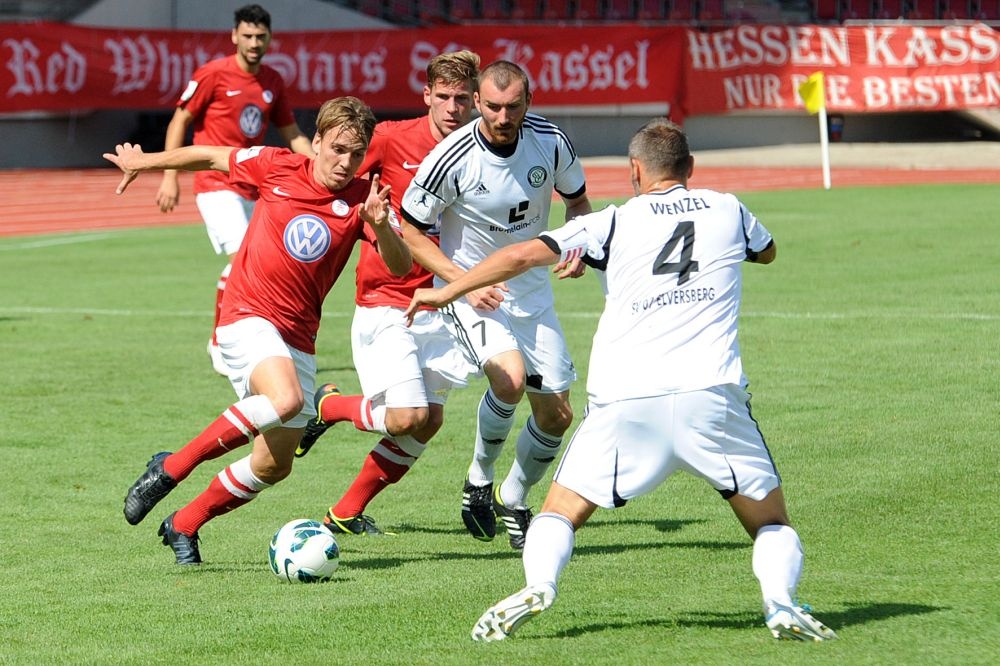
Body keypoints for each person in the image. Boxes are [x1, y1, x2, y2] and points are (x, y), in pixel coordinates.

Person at [405, 118, 838, 642]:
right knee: (770, 523)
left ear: (634, 170)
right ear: (690, 167)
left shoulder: (610, 223)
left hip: (626, 400)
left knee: (561, 513)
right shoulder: (728, 209)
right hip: (711, 395)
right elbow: (767, 251)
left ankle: (539, 584)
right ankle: (780, 601)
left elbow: (519, 255)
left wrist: (446, 290)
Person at [106, 96, 412, 565]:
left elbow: (400, 264)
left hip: (298, 335)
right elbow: (211, 155)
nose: (345, 162)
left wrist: (381, 225)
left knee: (273, 465)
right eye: (337, 149)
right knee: (285, 400)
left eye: (356, 154)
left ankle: (183, 523)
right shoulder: (276, 165)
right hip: (247, 314)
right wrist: (145, 162)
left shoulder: (363, 201)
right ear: (317, 142)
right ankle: (170, 468)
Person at [398, 60, 593, 550]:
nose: (503, 117)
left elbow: (578, 202)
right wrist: (462, 283)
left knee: (557, 416)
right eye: (492, 107)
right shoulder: (451, 157)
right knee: (508, 378)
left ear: (529, 102)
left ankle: (514, 496)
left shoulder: (551, 141)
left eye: (513, 107)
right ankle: (479, 481)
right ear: (478, 103)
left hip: (532, 293)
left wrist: (578, 243)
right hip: (474, 293)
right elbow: (411, 230)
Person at [292, 50, 482, 537]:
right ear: (427, 95)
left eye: (463, 98)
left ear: (476, 100)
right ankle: (329, 407)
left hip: (444, 302)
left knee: (429, 421)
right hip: (388, 298)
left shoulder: (481, 149)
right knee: (406, 417)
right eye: (444, 96)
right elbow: (333, 175)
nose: (453, 108)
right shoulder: (392, 139)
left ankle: (345, 512)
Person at [155, 4, 314, 376]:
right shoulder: (213, 74)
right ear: (234, 36)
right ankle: (220, 343)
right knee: (242, 259)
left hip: (253, 186)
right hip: (215, 183)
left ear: (270, 38)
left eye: (260, 37)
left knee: (261, 265)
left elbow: (292, 134)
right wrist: (169, 175)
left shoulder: (272, 81)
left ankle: (255, 340)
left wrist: (318, 164)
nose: (254, 43)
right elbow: (180, 120)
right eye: (247, 36)